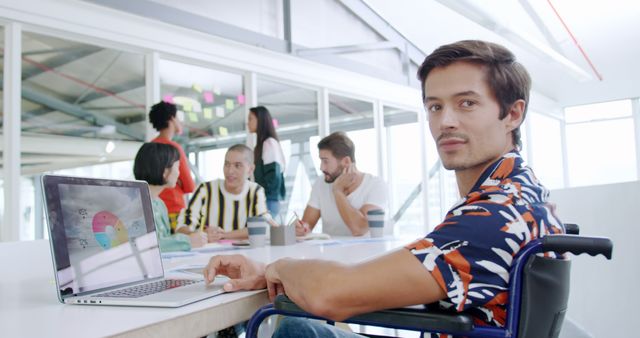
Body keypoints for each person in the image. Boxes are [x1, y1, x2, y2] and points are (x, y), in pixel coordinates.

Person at [202, 40, 565, 338]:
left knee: (290, 328)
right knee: (300, 326)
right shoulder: (522, 192)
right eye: (435, 107)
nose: (446, 121)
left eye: (466, 103)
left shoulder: (495, 214)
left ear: (513, 114)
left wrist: (278, 266)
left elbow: (334, 294)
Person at [296, 131, 387, 237]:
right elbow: (307, 224)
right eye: (321, 161)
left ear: (346, 162)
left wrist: (338, 191)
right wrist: (301, 229)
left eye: (325, 161)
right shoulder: (321, 183)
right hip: (330, 252)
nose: (321, 167)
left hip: (368, 252)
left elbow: (358, 229)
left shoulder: (376, 185)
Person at [175, 144, 268, 243]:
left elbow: (261, 228)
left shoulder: (256, 191)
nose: (230, 171)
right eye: (227, 164)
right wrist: (200, 235)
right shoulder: (205, 189)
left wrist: (222, 235)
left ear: (250, 169)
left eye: (237, 165)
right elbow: (181, 228)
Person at [133, 143, 207, 252]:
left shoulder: (160, 204)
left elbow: (163, 240)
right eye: (177, 167)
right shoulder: (137, 206)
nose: (179, 173)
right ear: (165, 171)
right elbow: (146, 247)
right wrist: (187, 241)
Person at [149, 101, 196, 232]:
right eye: (178, 117)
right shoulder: (173, 149)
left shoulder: (149, 148)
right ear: (171, 119)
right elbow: (190, 186)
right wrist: (179, 182)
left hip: (154, 211)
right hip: (174, 211)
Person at [248, 106, 286, 218]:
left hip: (268, 200)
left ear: (260, 120)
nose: (248, 122)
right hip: (265, 199)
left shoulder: (269, 143)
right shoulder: (261, 145)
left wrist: (261, 196)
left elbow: (273, 176)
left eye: (251, 119)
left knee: (265, 234)